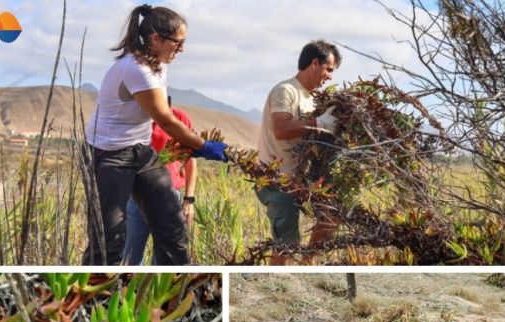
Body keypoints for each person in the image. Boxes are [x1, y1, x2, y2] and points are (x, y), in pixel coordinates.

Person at [83, 4, 228, 266]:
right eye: (178, 43)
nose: (181, 49)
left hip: (141, 152)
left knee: (172, 227)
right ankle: (96, 296)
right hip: (110, 155)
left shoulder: (158, 66)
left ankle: (175, 290)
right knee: (109, 241)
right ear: (156, 39)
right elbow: (165, 119)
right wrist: (204, 146)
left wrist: (193, 146)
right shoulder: (135, 68)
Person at [256, 40, 341, 265]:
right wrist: (318, 122)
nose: (330, 76)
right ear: (315, 63)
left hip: (301, 178)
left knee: (332, 216)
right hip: (277, 179)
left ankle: (307, 264)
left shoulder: (312, 98)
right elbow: (281, 129)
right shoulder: (286, 91)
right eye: (329, 69)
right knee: (286, 245)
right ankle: (274, 286)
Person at [123, 97, 197, 265]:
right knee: (129, 259)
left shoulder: (180, 119)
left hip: (169, 199)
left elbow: (190, 161)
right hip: (136, 198)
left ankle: (155, 289)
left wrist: (189, 200)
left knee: (165, 260)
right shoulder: (136, 119)